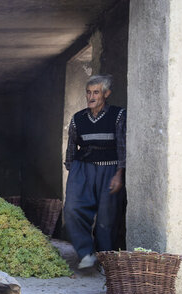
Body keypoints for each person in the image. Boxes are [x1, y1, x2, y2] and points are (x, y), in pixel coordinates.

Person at [64, 74, 126, 269]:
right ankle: (86, 254)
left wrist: (119, 173)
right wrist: (71, 168)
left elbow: (123, 146)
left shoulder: (118, 115)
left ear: (106, 94)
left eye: (96, 92)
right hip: (82, 169)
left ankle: (105, 262)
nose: (91, 96)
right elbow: (72, 146)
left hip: (110, 169)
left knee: (107, 219)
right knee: (72, 208)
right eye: (88, 92)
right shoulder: (78, 118)